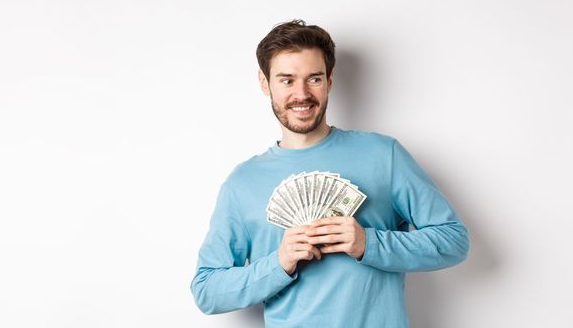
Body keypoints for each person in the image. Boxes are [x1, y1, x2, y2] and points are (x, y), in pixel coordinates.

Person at [189, 19, 470, 327]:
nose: (301, 94)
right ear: (264, 82)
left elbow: (453, 241)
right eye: (286, 80)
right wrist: (279, 263)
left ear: (330, 81)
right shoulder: (242, 183)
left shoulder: (382, 154)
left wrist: (369, 243)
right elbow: (207, 291)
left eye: (314, 79)